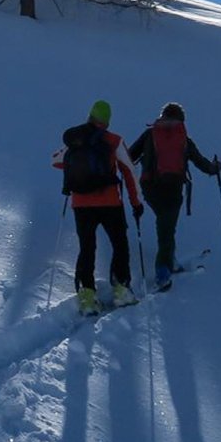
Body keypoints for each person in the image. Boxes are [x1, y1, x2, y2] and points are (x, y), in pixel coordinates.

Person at [53, 100, 144, 314]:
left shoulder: (76, 140)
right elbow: (129, 172)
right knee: (119, 243)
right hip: (110, 202)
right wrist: (136, 202)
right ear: (107, 120)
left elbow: (56, 161)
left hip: (81, 204)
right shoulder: (114, 140)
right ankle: (121, 290)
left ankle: (86, 295)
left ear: (90, 116)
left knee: (87, 247)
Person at [125, 102, 221, 290]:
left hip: (150, 189)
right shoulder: (184, 139)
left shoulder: (150, 134)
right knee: (166, 230)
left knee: (164, 225)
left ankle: (171, 260)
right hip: (173, 189)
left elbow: (129, 156)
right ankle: (163, 272)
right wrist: (216, 168)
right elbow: (202, 163)